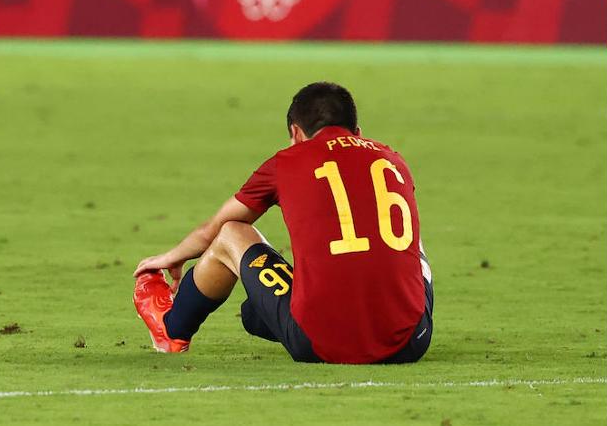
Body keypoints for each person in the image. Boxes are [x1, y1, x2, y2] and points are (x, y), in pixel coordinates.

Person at [132, 82, 432, 364]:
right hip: (411, 342)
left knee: (231, 233)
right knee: (410, 239)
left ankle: (172, 328)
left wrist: (171, 257)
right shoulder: (394, 160)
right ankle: (264, 316)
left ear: (296, 133)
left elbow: (215, 229)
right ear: (358, 131)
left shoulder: (287, 161)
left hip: (317, 343)